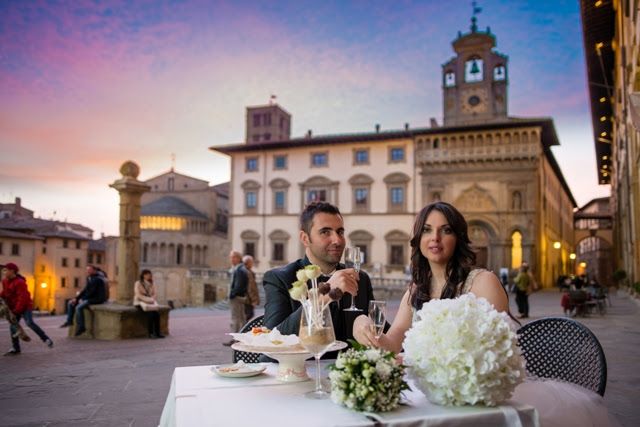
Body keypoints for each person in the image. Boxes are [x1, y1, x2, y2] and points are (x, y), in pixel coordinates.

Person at [353, 201, 509, 352]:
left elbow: (500, 349)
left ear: (458, 238)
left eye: (446, 230)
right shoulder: (415, 291)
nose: (435, 237)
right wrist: (363, 325)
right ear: (419, 238)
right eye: (427, 230)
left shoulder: (483, 282)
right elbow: (391, 346)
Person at [262, 201, 377, 355]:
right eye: (325, 232)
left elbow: (382, 333)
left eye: (340, 232)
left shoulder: (360, 279)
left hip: (349, 375)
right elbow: (271, 342)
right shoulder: (279, 278)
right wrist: (325, 295)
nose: (337, 240)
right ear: (304, 238)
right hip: (303, 375)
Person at [1, 262, 54, 355]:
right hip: (14, 306)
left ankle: (46, 339)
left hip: (25, 306)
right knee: (13, 327)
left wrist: (16, 311)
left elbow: (23, 298)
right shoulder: (5, 281)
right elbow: (5, 293)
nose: (3, 272)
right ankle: (16, 348)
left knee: (29, 322)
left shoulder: (20, 282)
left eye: (5, 270)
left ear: (12, 271)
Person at [60, 265, 107, 336]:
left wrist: (83, 299)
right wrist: (76, 298)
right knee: (70, 303)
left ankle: (81, 327)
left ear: (94, 270)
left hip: (97, 299)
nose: (87, 271)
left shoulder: (98, 279)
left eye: (89, 270)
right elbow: (85, 290)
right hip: (90, 298)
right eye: (87, 269)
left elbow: (92, 292)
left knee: (78, 307)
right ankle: (69, 321)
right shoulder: (90, 278)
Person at [222, 250, 249, 346]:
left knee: (236, 318)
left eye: (233, 257)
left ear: (238, 258)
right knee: (240, 318)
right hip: (240, 296)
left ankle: (235, 339)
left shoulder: (239, 269)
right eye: (230, 257)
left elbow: (239, 286)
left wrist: (232, 294)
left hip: (237, 297)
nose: (231, 259)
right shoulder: (240, 269)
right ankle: (240, 337)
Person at [133, 269, 164, 338]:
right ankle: (150, 333)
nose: (149, 276)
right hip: (140, 302)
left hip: (150, 302)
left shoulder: (152, 283)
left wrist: (152, 299)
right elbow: (138, 294)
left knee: (157, 315)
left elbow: (155, 293)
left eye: (150, 274)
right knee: (150, 315)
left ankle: (157, 332)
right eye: (147, 274)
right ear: (143, 275)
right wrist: (147, 300)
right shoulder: (138, 283)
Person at [243, 255, 259, 321]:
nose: (252, 264)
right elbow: (251, 287)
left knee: (247, 315)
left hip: (245, 298)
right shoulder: (248, 272)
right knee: (249, 315)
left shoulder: (244, 271)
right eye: (251, 262)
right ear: (248, 262)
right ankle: (243, 330)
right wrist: (254, 300)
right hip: (247, 299)